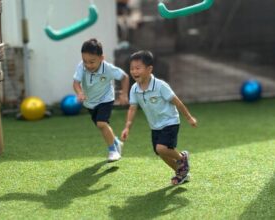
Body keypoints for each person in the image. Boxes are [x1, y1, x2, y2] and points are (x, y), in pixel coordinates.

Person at [121, 50, 197, 185]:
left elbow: (177, 101)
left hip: (170, 121)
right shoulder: (134, 89)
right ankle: (181, 173)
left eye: (138, 68)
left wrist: (189, 117)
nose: (134, 71)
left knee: (160, 148)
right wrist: (127, 127)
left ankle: (182, 157)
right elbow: (132, 108)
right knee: (161, 153)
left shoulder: (160, 86)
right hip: (155, 125)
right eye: (132, 68)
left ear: (149, 69)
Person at [73, 38, 129, 162]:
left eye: (92, 62)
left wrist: (124, 94)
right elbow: (76, 83)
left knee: (101, 123)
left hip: (106, 99)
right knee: (103, 127)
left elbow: (124, 77)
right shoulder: (81, 66)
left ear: (101, 58)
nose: (88, 65)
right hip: (90, 102)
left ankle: (113, 151)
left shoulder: (108, 68)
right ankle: (116, 142)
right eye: (85, 61)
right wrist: (80, 93)